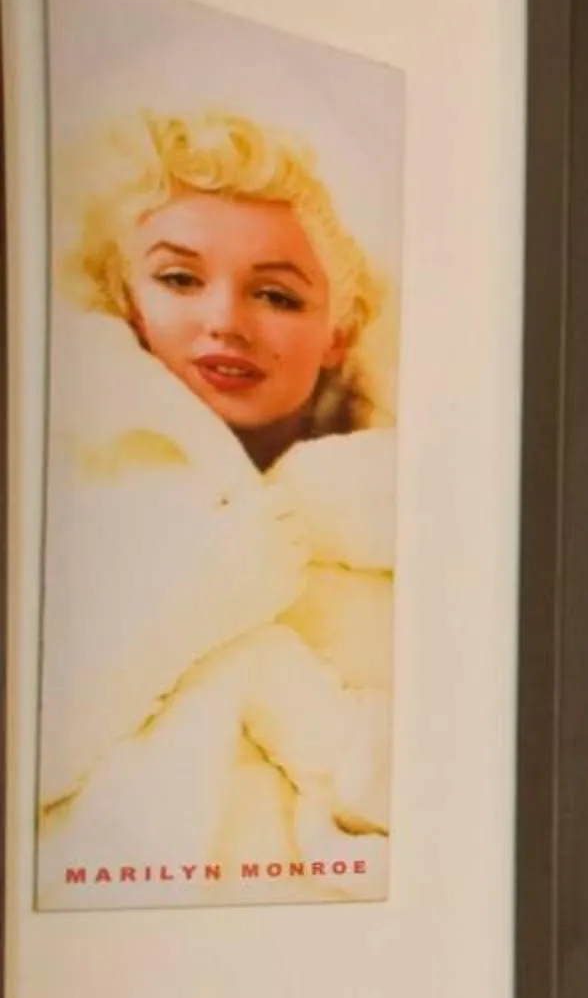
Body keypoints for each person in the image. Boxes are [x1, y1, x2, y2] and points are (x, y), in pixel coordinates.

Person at [42, 106, 394, 897]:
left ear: (337, 332)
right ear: (123, 300)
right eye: (178, 279)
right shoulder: (66, 494)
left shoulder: (395, 504)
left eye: (276, 294)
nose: (225, 322)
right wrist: (198, 602)